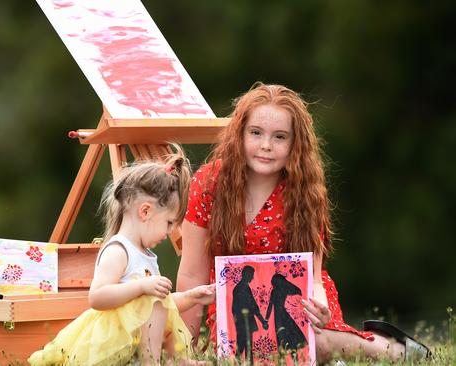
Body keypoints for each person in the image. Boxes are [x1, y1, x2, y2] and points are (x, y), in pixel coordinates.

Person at [176, 82, 431, 363]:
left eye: (280, 137)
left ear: (296, 143)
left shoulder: (303, 189)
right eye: (256, 133)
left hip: (299, 296)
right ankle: (344, 352)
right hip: (236, 307)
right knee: (243, 353)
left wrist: (319, 304)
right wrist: (184, 350)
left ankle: (391, 349)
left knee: (308, 342)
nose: (266, 146)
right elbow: (191, 275)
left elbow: (314, 273)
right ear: (240, 134)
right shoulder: (210, 182)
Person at [28, 146, 215, 366]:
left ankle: (175, 360)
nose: (169, 232)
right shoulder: (118, 251)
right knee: (151, 297)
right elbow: (97, 297)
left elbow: (159, 306)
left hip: (135, 342)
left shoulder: (146, 255)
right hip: (111, 343)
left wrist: (191, 297)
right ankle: (154, 363)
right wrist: (141, 287)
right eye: (169, 223)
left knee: (157, 302)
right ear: (145, 212)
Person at [231, 265, 268, 363]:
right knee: (245, 349)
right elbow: (252, 306)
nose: (252, 277)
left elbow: (252, 306)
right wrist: (262, 321)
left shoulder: (242, 287)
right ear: (246, 275)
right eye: (251, 275)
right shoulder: (242, 288)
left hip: (243, 324)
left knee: (244, 349)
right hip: (244, 324)